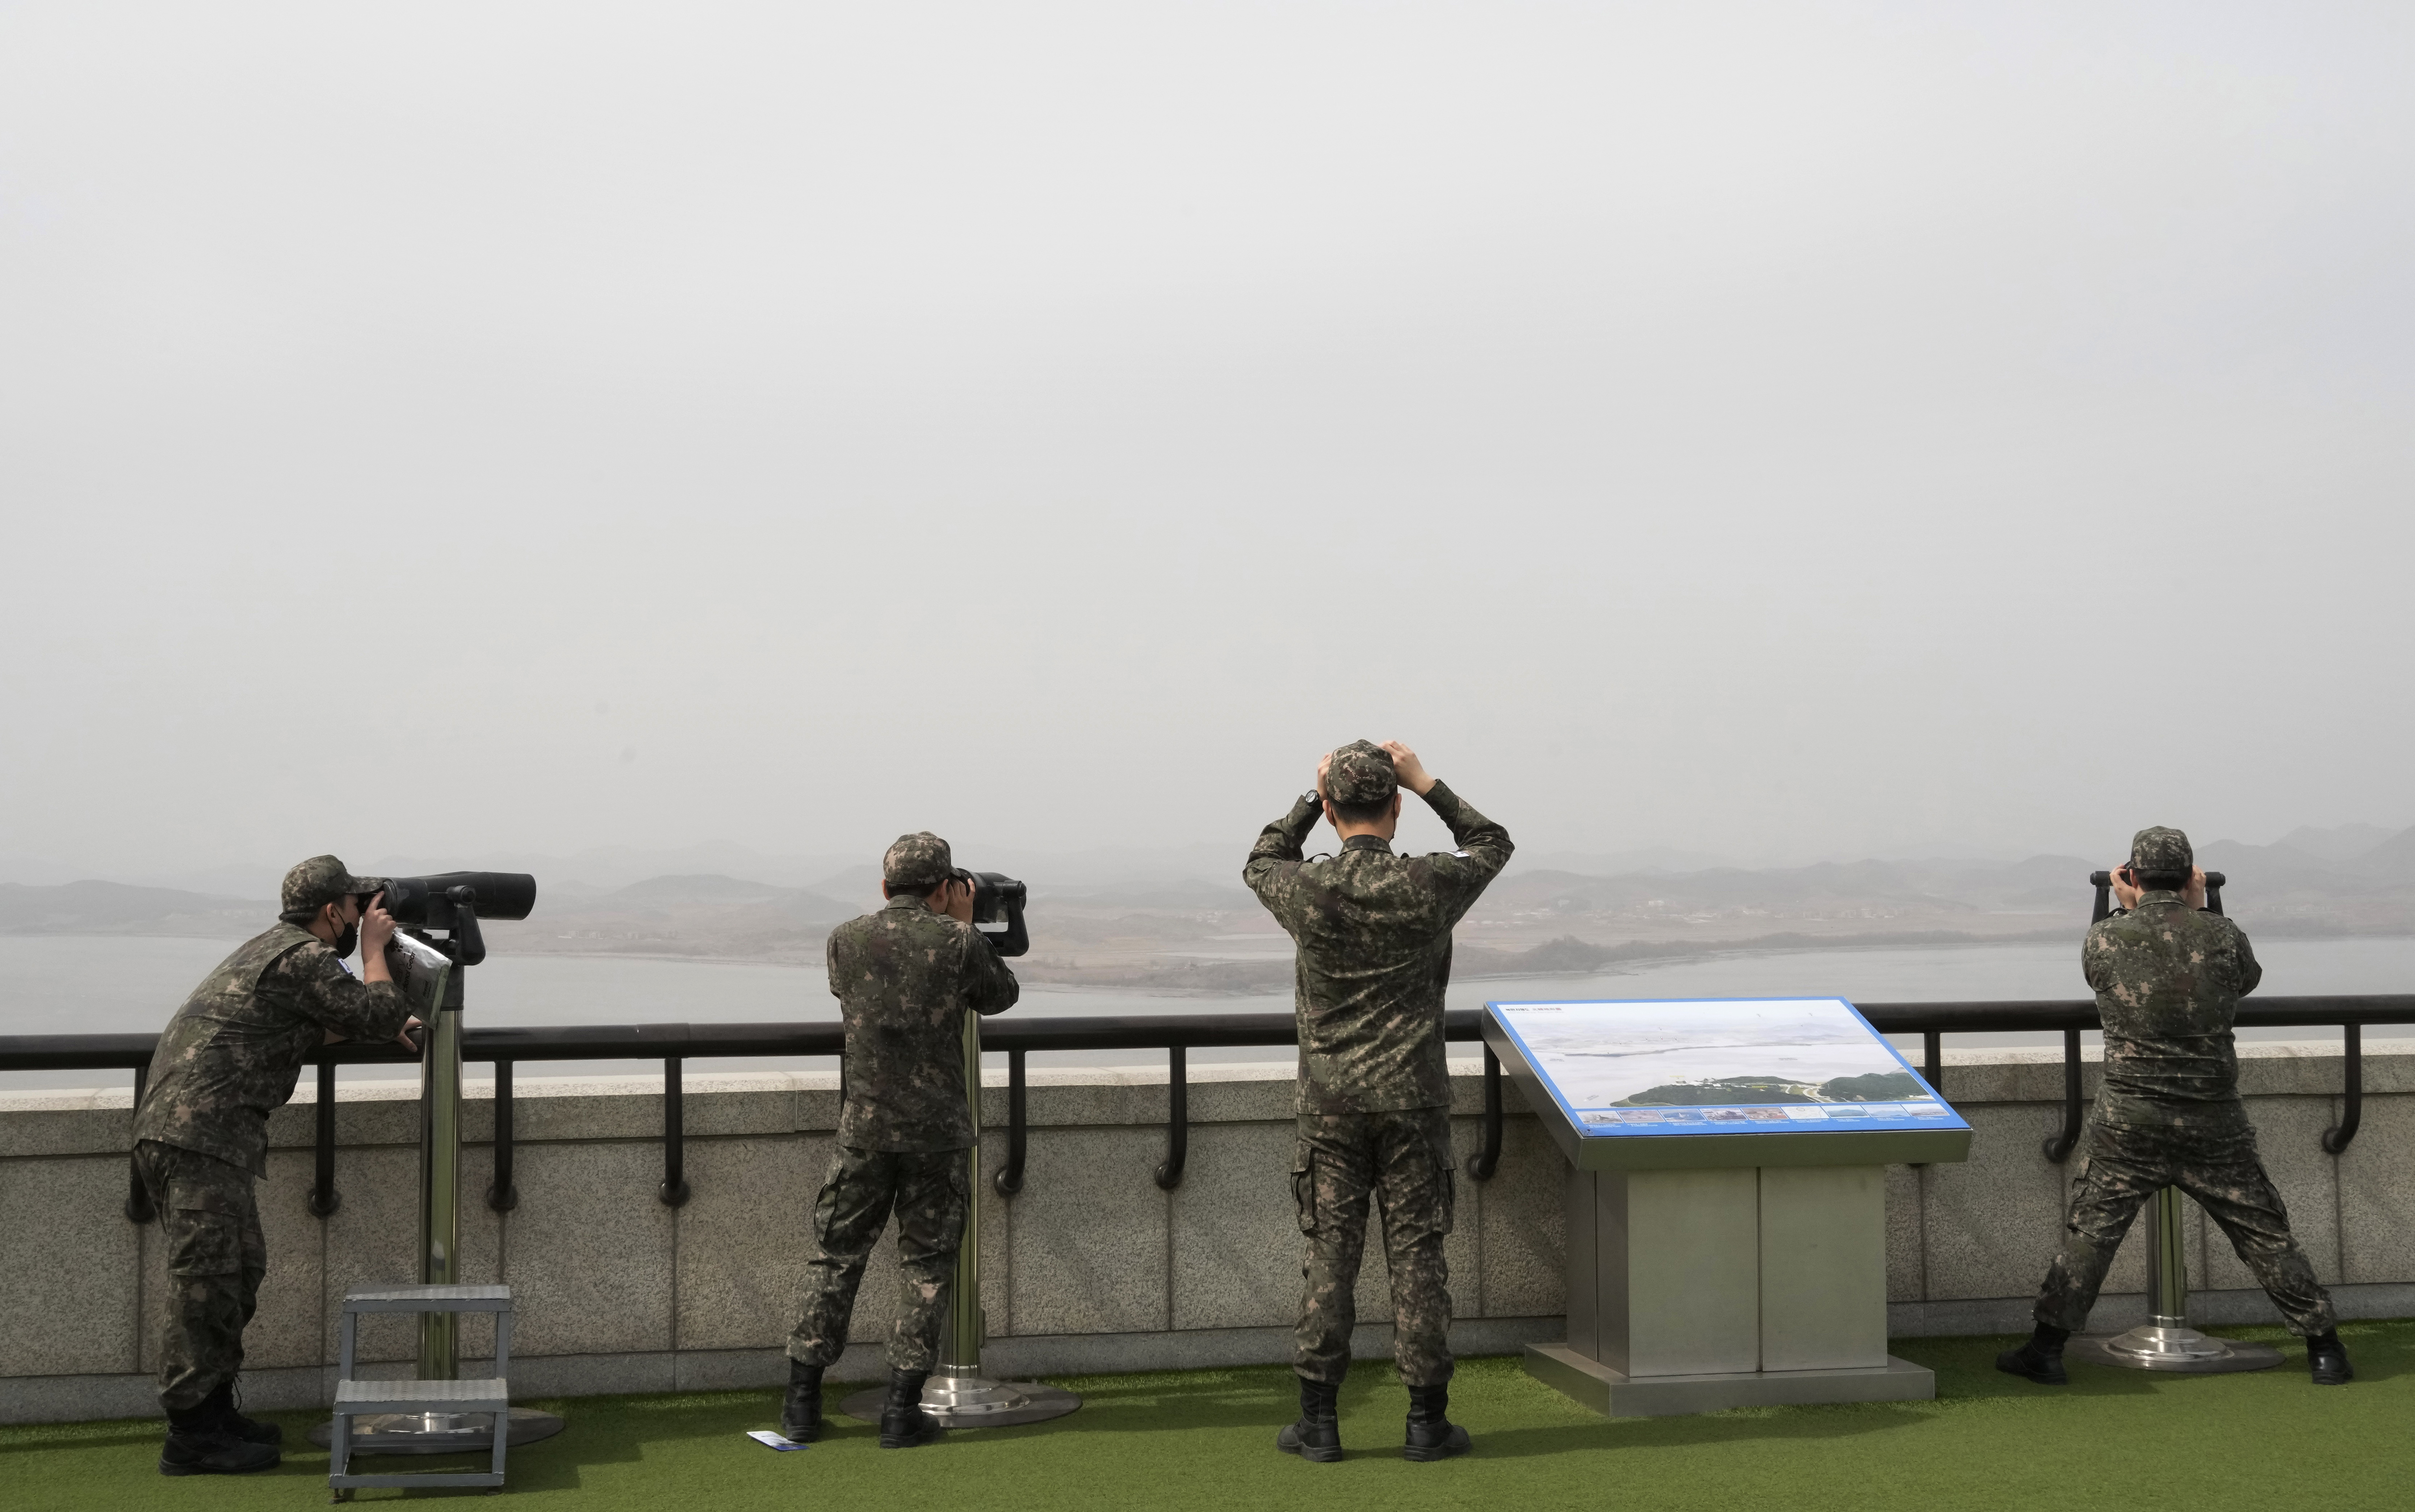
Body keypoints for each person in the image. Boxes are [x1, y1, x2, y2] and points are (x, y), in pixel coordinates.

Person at [1997, 826, 2351, 1387]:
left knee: (2092, 1232)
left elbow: (2095, 973)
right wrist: (2203, 907)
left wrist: (2122, 908)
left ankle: (2046, 1349)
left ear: (2132, 877)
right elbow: (2246, 982)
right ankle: (2324, 1347)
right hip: (2212, 1119)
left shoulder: (2105, 939)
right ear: (2192, 876)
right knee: (2263, 1233)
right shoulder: (2223, 936)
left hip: (2128, 1121)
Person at [1244, 740, 1512, 1463]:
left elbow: (1261, 858)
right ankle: (1425, 1422)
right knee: (1417, 1260)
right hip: (1413, 1103)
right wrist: (1427, 782)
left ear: (1332, 811)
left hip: (1329, 1108)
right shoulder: (1427, 885)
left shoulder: (1306, 890)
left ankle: (1319, 1423)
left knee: (1330, 1256)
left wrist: (1309, 795)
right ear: (1396, 806)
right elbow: (1491, 842)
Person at [133, 855, 421, 1476]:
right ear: (331, 912)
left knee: (238, 1272)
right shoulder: (303, 957)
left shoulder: (272, 950)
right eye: (354, 908)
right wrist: (375, 950)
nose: (358, 917)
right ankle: (191, 1435)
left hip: (201, 1135)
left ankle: (214, 1413)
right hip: (197, 1136)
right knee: (205, 1284)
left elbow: (297, 1028)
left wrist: (375, 1018)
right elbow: (373, 1010)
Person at [780, 832, 1021, 1449]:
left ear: (885, 887)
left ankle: (801, 1405)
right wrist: (963, 924)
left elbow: (848, 994)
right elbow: (1000, 997)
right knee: (927, 1267)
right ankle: (900, 1410)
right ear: (944, 888)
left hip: (863, 1128)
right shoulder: (957, 941)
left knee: (835, 1257)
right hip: (936, 1135)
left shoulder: (845, 938)